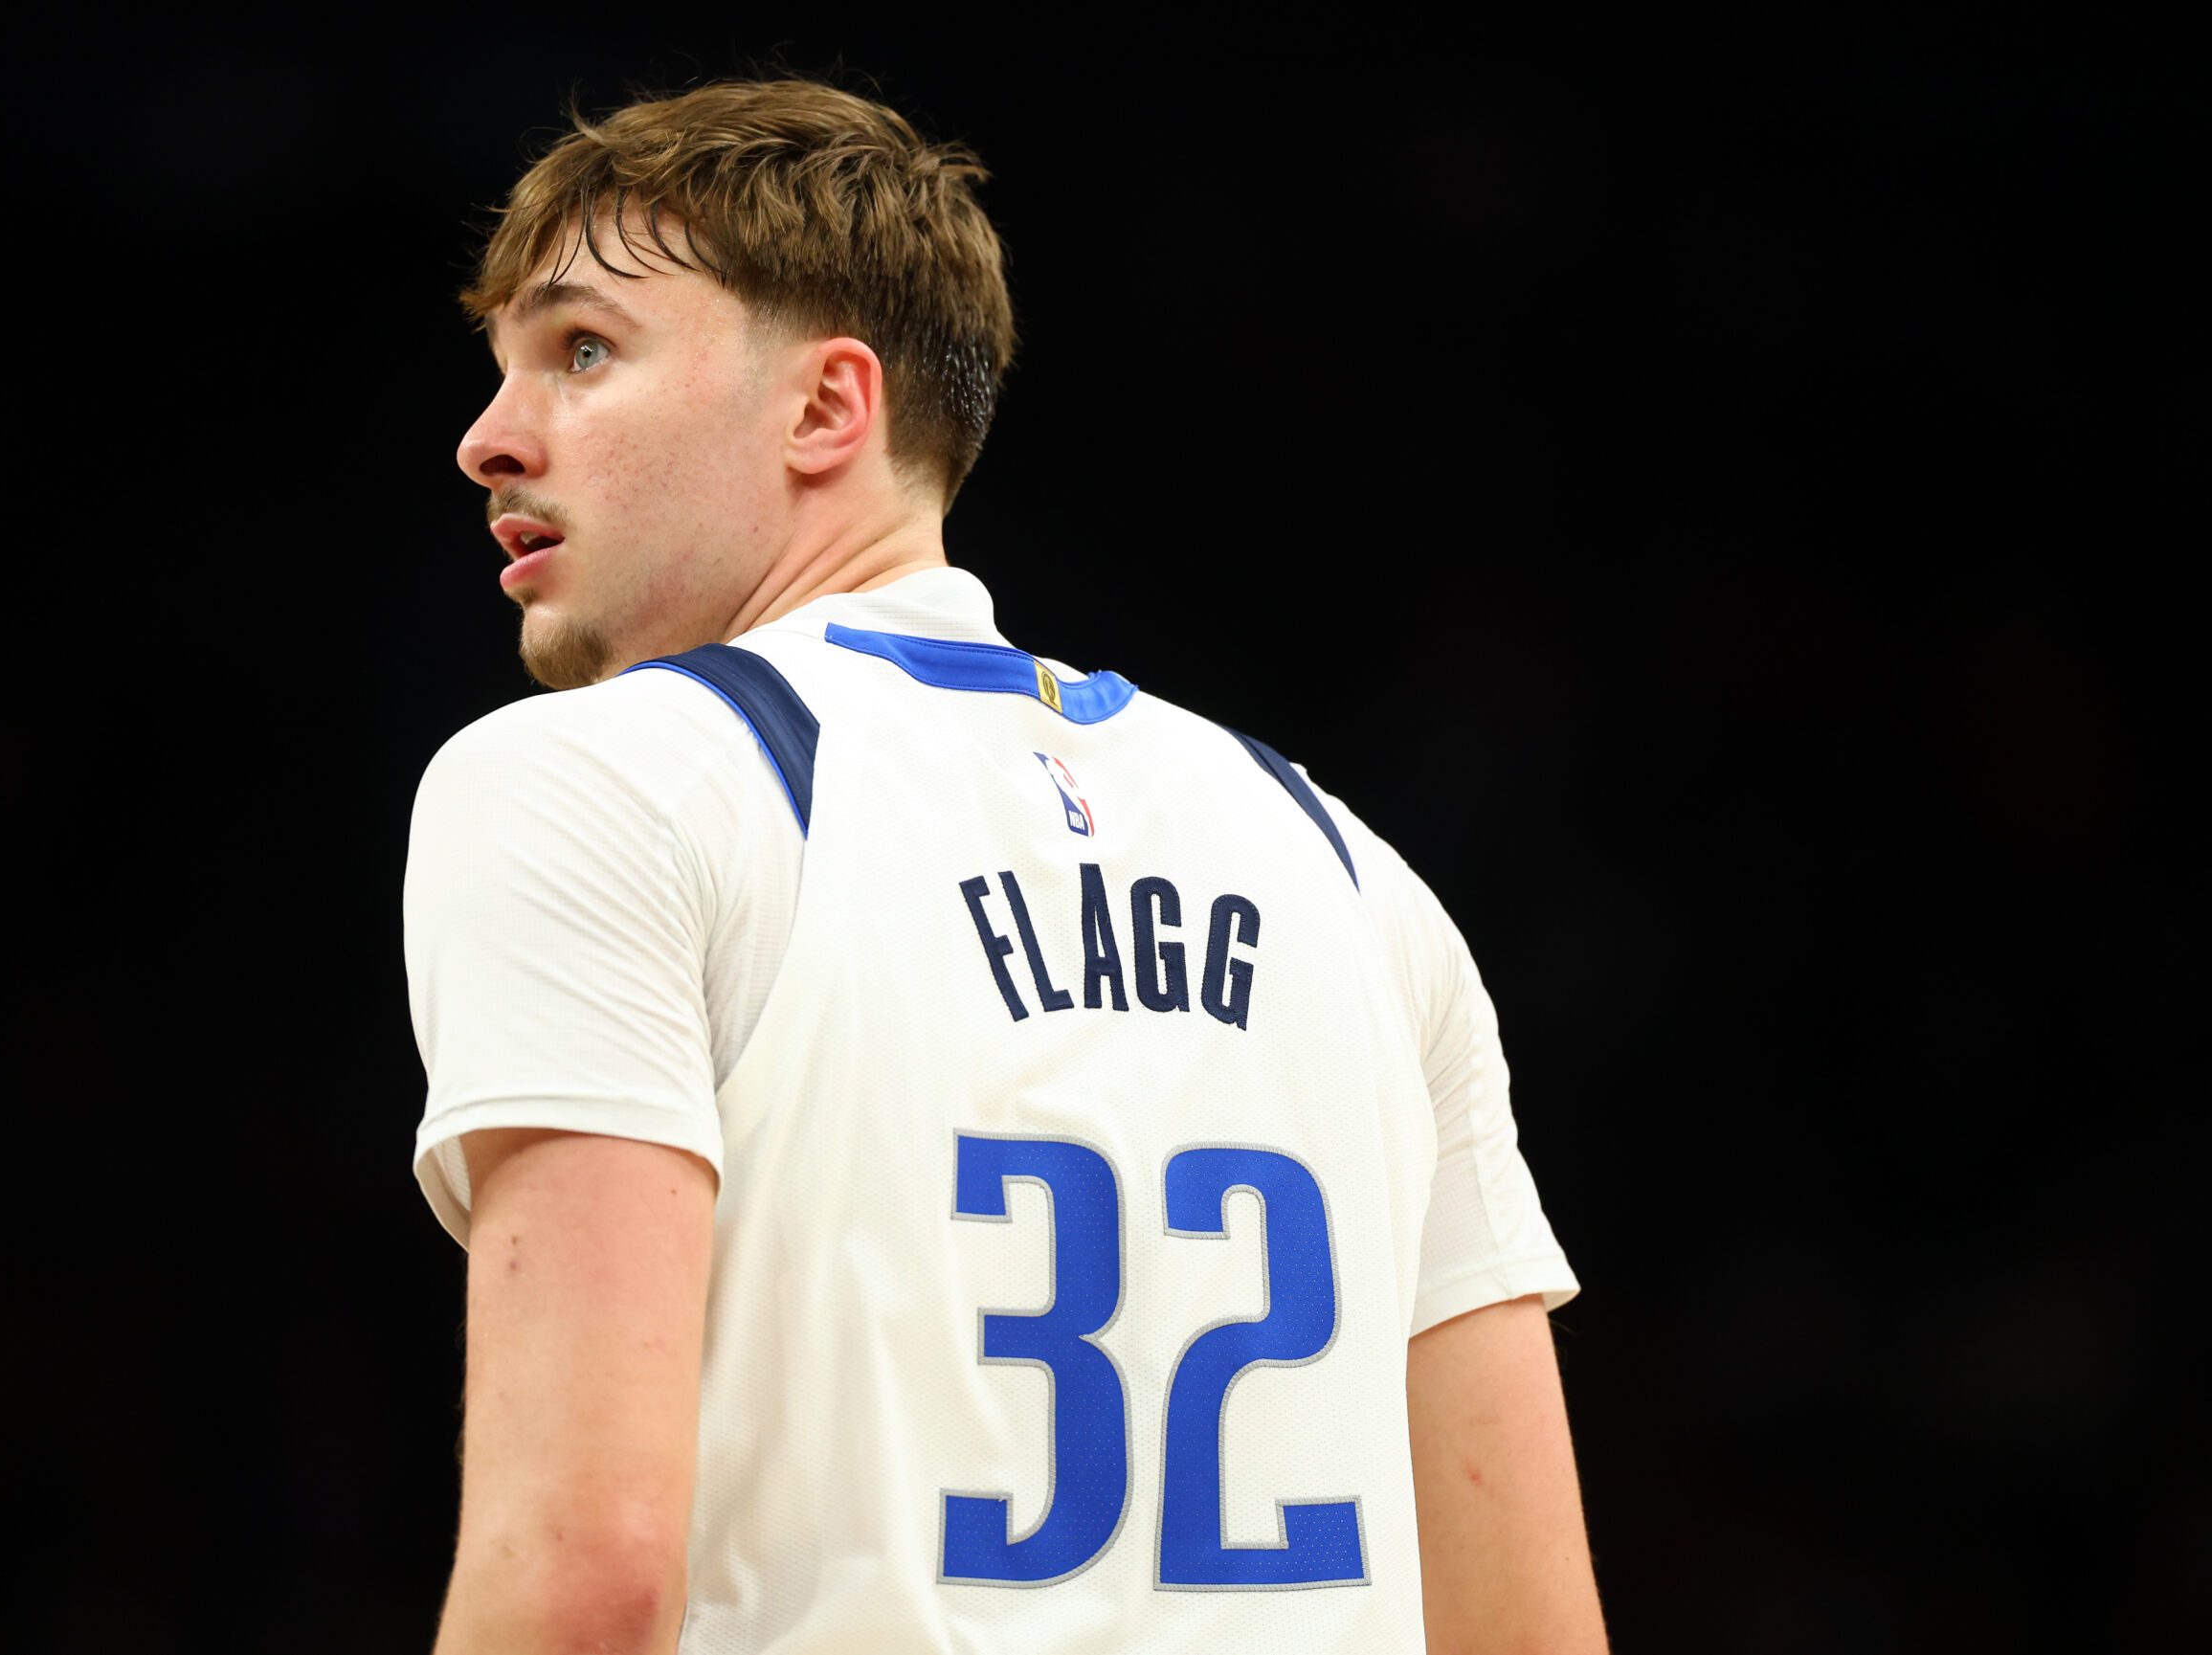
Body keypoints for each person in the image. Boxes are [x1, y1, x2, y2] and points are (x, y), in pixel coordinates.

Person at [404, 77, 1608, 1655]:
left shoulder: (592, 782)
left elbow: (583, 1572)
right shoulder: (1350, 872)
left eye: (582, 352)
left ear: (830, 409)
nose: (487, 439)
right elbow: (1529, 1627)